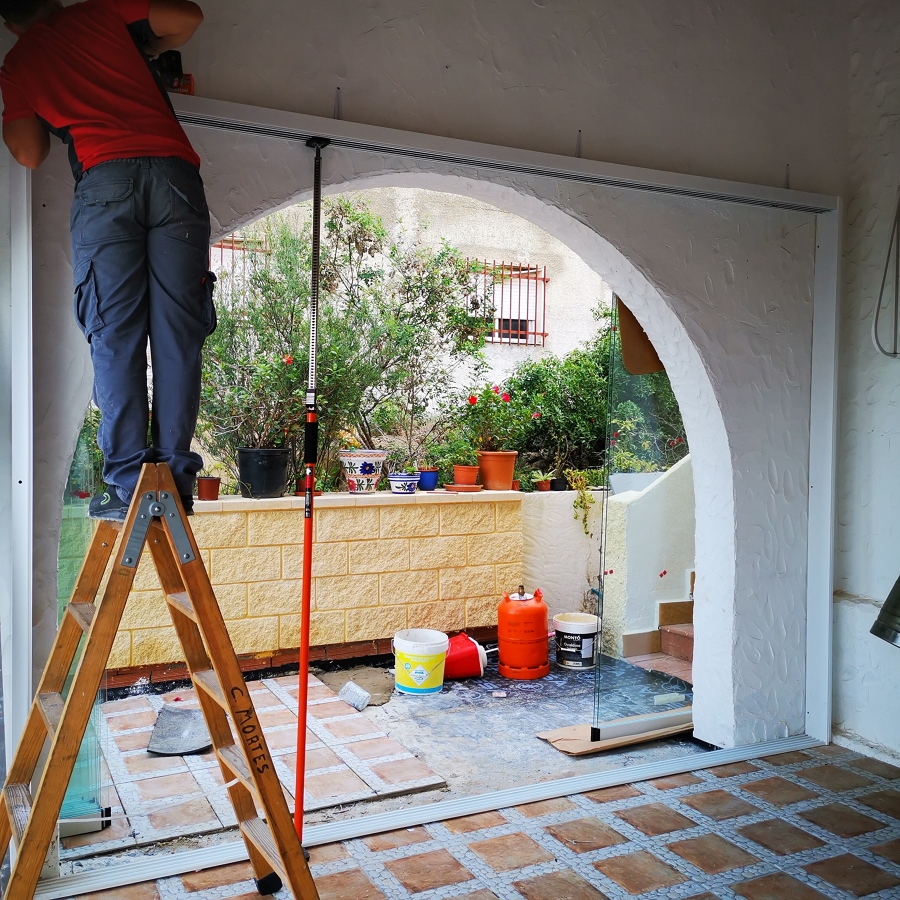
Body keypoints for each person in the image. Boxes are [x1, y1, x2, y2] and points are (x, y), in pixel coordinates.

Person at [0, 0, 215, 520]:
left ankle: (127, 486)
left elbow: (29, 153)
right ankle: (174, 482)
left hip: (105, 182)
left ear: (8, 18)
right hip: (174, 177)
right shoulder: (99, 14)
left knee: (115, 336)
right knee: (177, 335)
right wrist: (143, 51)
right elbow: (188, 17)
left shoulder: (20, 62)